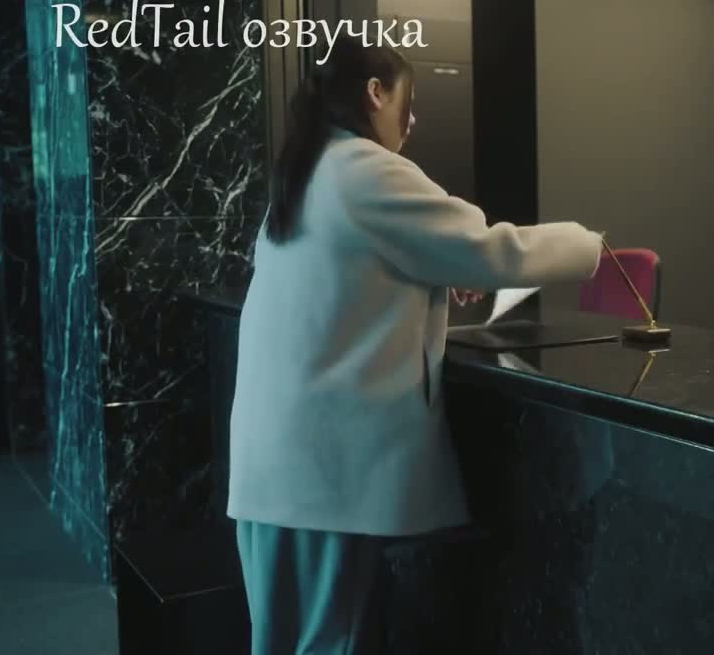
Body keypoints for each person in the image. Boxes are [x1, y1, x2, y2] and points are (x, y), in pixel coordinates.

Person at [226, 35, 604, 654]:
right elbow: (491, 250)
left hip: (275, 466)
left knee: (282, 642)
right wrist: (588, 245)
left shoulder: (307, 171)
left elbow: (351, 280)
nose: (413, 120)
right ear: (376, 92)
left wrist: (431, 272)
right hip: (328, 479)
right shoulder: (367, 170)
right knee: (332, 643)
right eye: (409, 99)